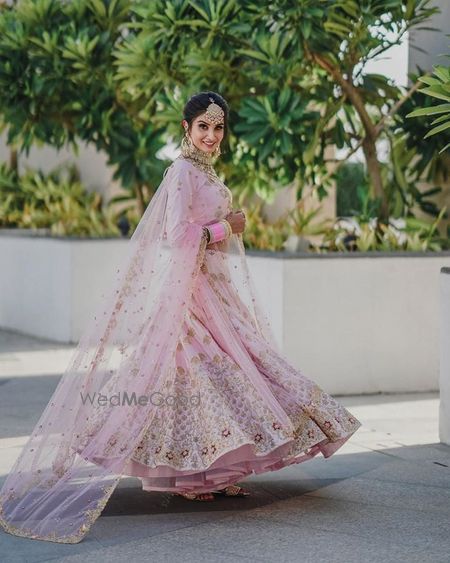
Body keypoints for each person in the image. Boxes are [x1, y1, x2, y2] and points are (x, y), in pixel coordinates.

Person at [0, 91, 362, 543]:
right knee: (197, 379)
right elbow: (175, 235)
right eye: (204, 127)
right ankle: (192, 477)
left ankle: (214, 471)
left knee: (236, 377)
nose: (212, 136)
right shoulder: (181, 172)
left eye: (219, 128)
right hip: (187, 297)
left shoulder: (206, 171)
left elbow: (207, 240)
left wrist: (223, 232)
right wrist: (226, 226)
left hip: (213, 291)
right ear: (186, 129)